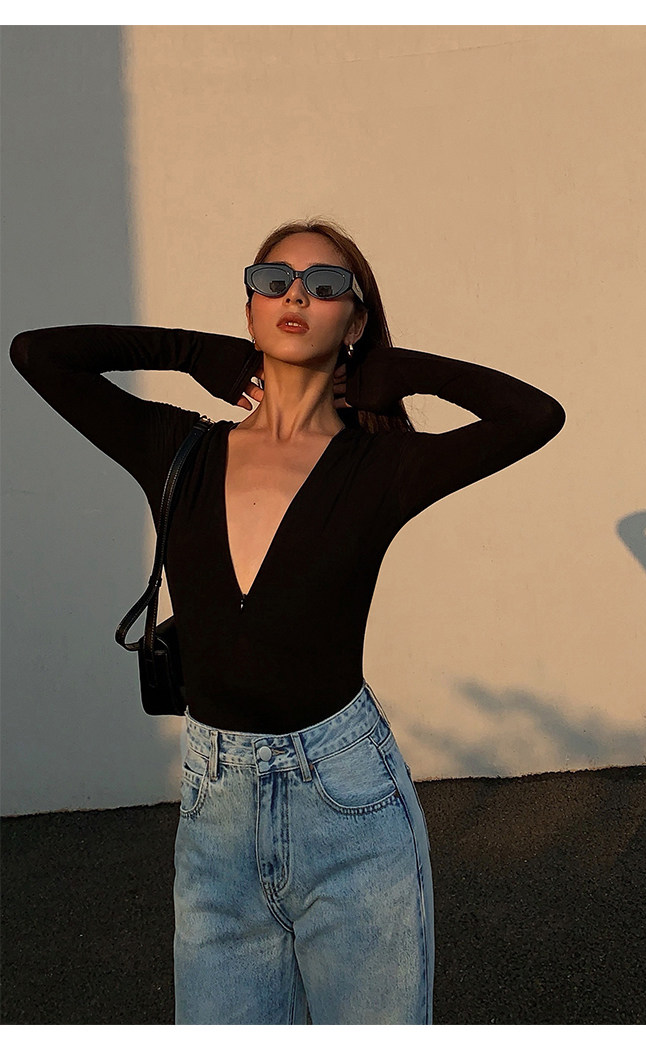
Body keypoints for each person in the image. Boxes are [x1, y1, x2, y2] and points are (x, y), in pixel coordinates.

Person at [9, 218, 566, 1025]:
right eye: (273, 281)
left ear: (355, 318)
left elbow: (533, 415)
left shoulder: (383, 465)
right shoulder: (177, 448)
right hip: (215, 818)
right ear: (250, 308)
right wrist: (197, 354)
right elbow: (37, 354)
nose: (296, 295)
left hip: (350, 808)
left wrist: (391, 372)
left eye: (325, 285)